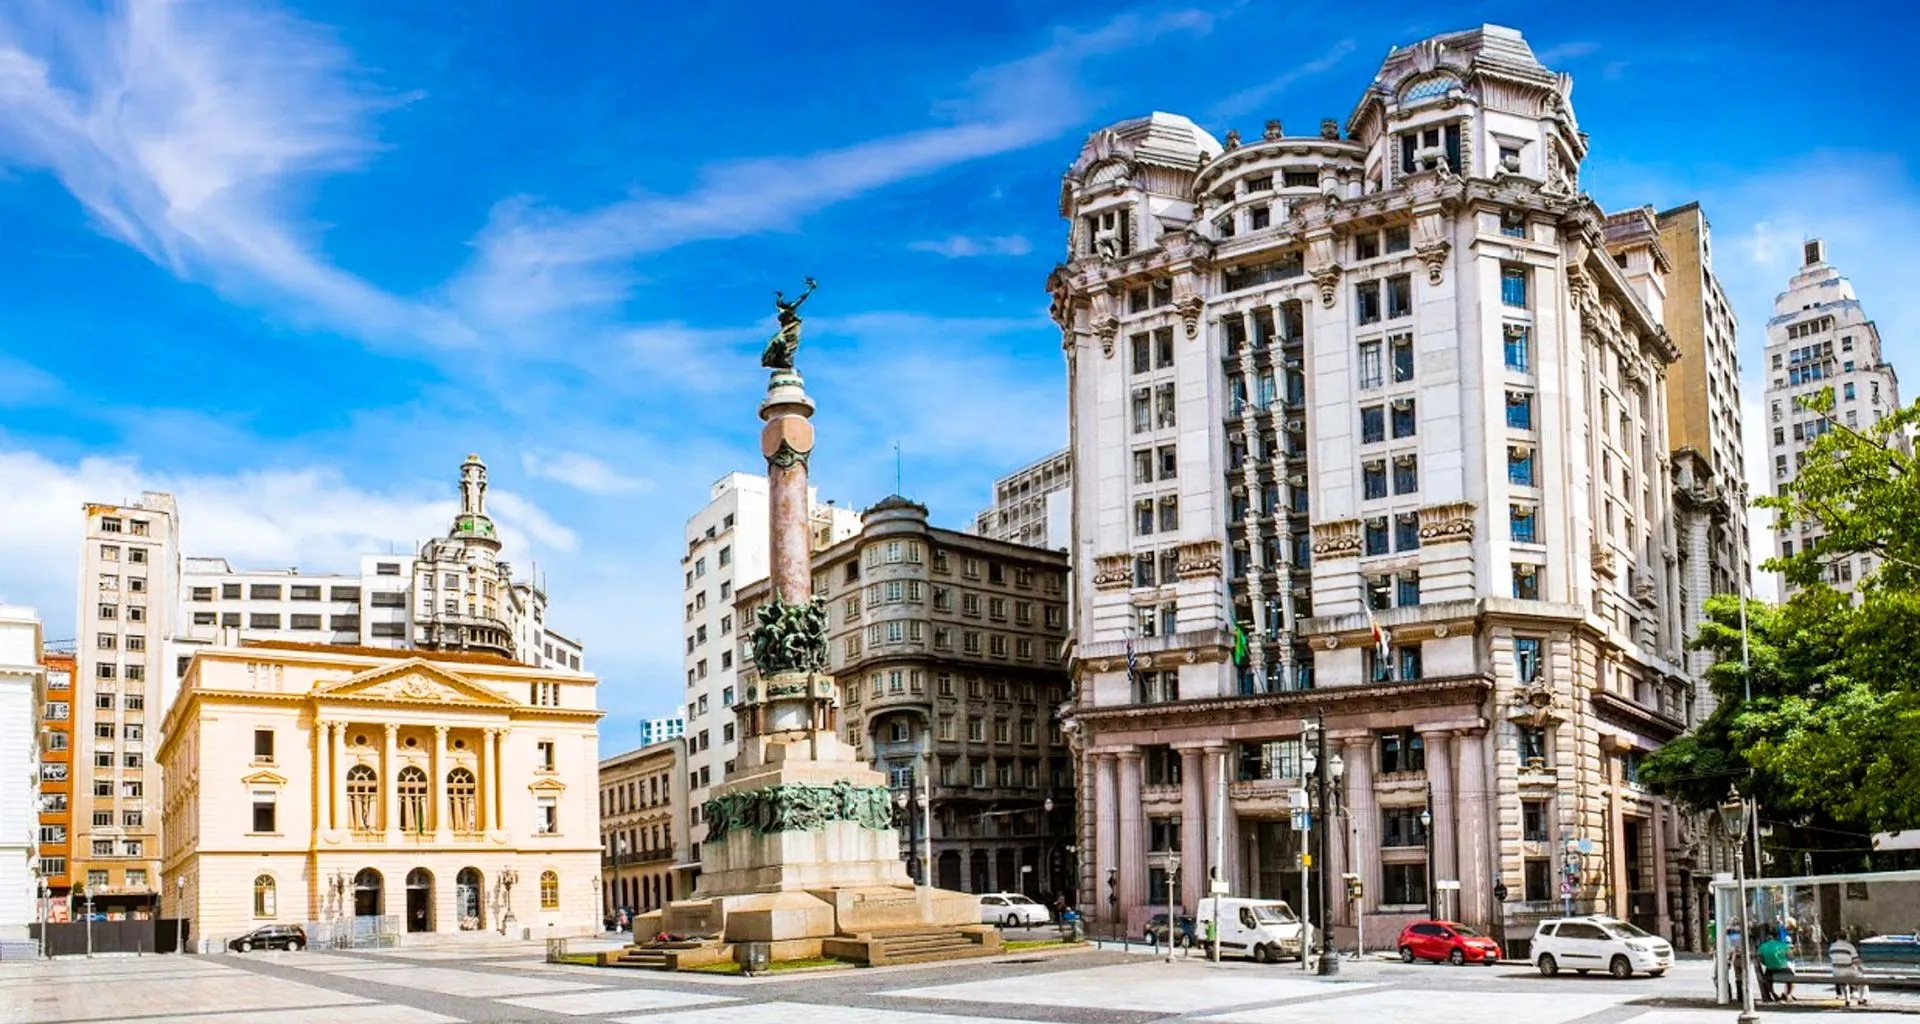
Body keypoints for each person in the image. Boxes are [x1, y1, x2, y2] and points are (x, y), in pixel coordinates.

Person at [1831, 934, 1870, 1007]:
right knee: (1863, 979)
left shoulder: (1832, 946)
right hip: (1848, 971)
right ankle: (1861, 999)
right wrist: (1861, 969)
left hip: (1836, 973)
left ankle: (1847, 1000)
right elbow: (1856, 961)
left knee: (1843, 981)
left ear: (1837, 937)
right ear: (1846, 938)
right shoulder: (1849, 946)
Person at [1758, 931, 1795, 1002]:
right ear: (1777, 937)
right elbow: (1791, 957)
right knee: (1792, 976)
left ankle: (1773, 993)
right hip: (1783, 970)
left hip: (1770, 971)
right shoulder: (1784, 945)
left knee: (1767, 979)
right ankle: (1789, 994)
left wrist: (1767, 963)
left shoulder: (1763, 946)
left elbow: (1761, 959)